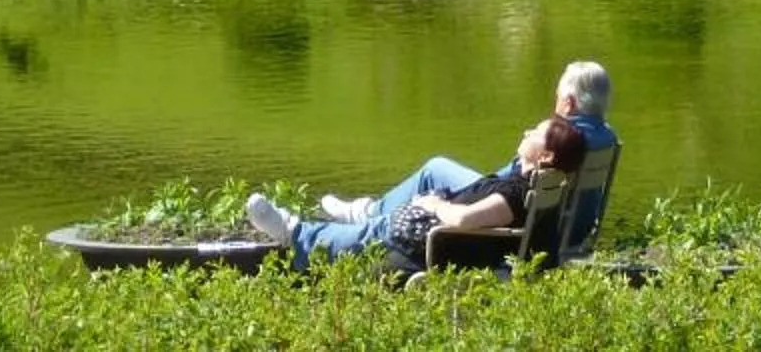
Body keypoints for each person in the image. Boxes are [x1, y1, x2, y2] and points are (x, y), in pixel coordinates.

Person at [258, 61, 620, 266]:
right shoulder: (604, 138)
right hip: (554, 224)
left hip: (520, 216)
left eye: (558, 97)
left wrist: (442, 204)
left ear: (569, 102)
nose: (554, 104)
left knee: (435, 168)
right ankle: (369, 213)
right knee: (436, 173)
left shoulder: (567, 141)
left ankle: (359, 217)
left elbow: (508, 186)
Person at [247, 115, 583, 269]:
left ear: (547, 155)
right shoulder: (535, 183)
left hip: (430, 242)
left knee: (371, 234)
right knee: (371, 229)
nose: (526, 130)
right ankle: (317, 225)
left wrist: (435, 204)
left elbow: (466, 218)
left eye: (535, 132)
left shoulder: (516, 192)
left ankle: (294, 233)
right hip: (432, 231)